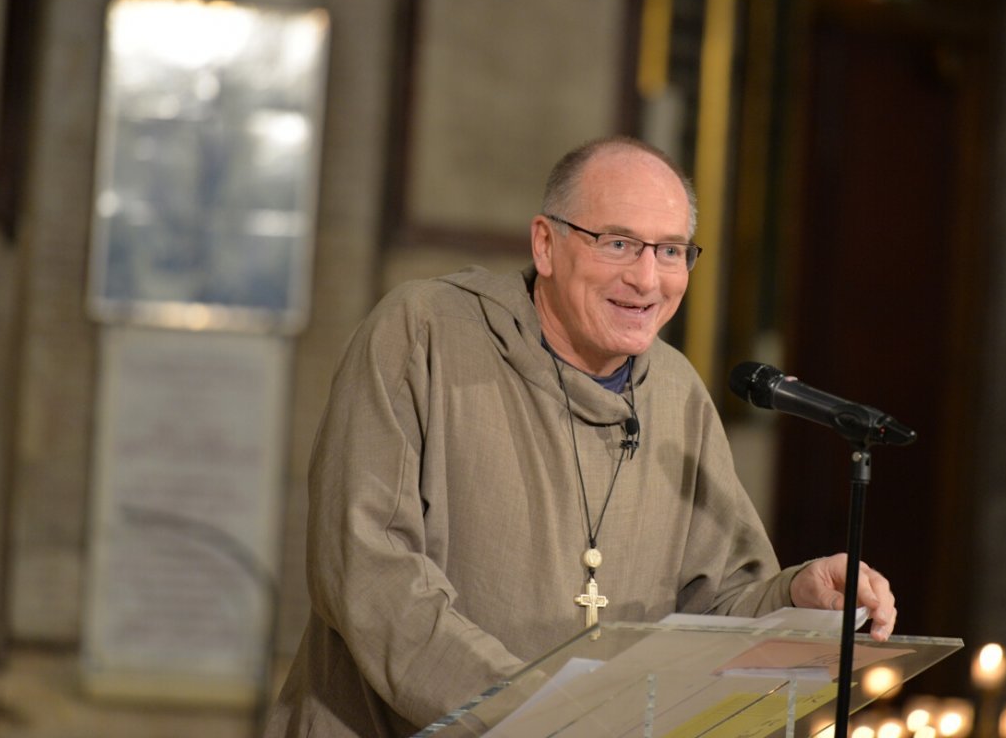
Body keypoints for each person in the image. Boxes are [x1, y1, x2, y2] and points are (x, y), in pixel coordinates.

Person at [266, 136, 896, 737]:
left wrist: (798, 597)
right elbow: (368, 571)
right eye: (619, 244)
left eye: (672, 250)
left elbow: (713, 607)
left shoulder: (676, 394)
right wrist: (540, 716)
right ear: (546, 244)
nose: (649, 280)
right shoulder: (424, 334)